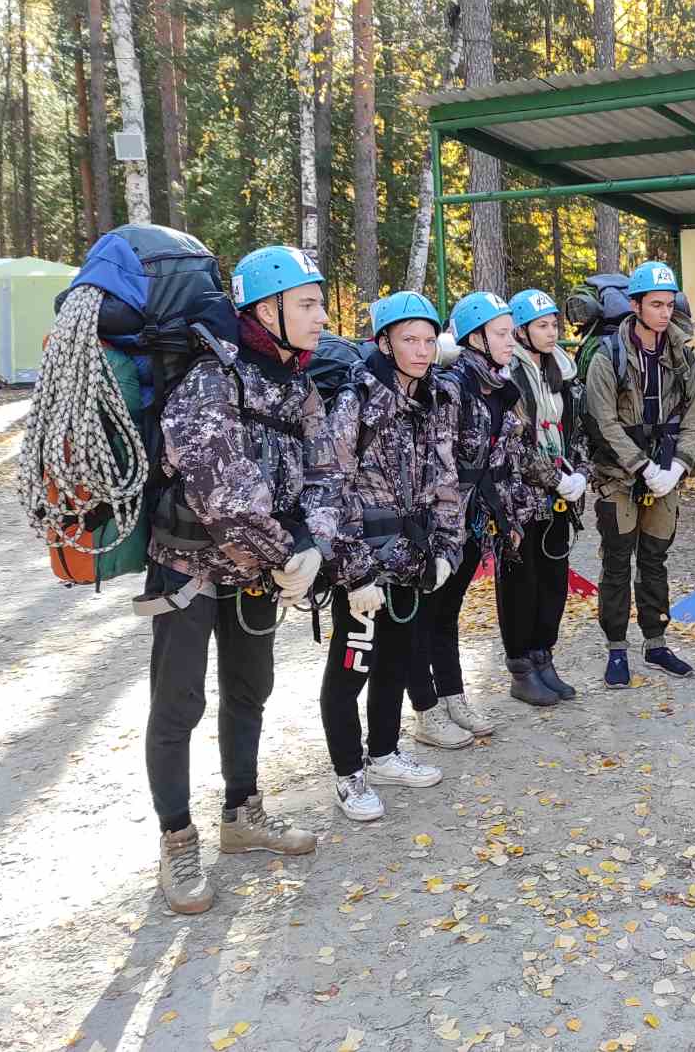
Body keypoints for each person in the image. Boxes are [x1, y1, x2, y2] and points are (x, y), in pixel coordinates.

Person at [141, 244, 339, 914]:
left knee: (250, 689)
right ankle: (176, 839)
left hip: (257, 571)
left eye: (320, 302)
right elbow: (224, 494)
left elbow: (326, 472)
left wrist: (313, 541)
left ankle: (241, 812)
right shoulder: (209, 380)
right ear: (267, 307)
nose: (321, 316)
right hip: (191, 566)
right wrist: (290, 553)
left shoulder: (298, 384)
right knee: (178, 705)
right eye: (308, 304)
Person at [320, 292, 462, 822]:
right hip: (363, 560)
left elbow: (446, 478)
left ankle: (382, 753)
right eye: (409, 340)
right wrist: (354, 573)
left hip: (415, 556)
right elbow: (329, 489)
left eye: (428, 340)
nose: (421, 350)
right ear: (384, 342)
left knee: (398, 659)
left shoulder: (436, 397)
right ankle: (348, 774)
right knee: (352, 665)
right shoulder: (356, 400)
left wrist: (447, 546)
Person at [416, 291, 561, 720]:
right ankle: (431, 707)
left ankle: (452, 698)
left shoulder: (497, 387)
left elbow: (507, 461)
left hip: (479, 519)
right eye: (500, 334)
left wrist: (510, 517)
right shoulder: (454, 388)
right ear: (475, 338)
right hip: (448, 521)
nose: (510, 341)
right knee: (433, 613)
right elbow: (437, 464)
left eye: (509, 333)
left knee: (447, 611)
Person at [585, 260, 695, 686]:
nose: (664, 312)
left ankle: (656, 643)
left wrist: (679, 465)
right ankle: (616, 649)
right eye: (655, 304)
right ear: (635, 305)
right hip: (618, 475)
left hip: (666, 471)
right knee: (617, 562)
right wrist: (640, 465)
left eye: (669, 304)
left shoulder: (683, 354)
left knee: (655, 560)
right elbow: (603, 420)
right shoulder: (608, 357)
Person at [506, 288, 589, 698]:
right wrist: (555, 480)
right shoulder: (510, 375)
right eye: (542, 326)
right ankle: (521, 667)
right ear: (521, 331)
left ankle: (544, 656)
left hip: (560, 495)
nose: (552, 332)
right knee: (523, 581)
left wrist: (581, 474)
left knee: (554, 579)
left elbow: (577, 430)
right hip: (524, 498)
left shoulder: (564, 371)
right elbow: (516, 445)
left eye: (554, 324)